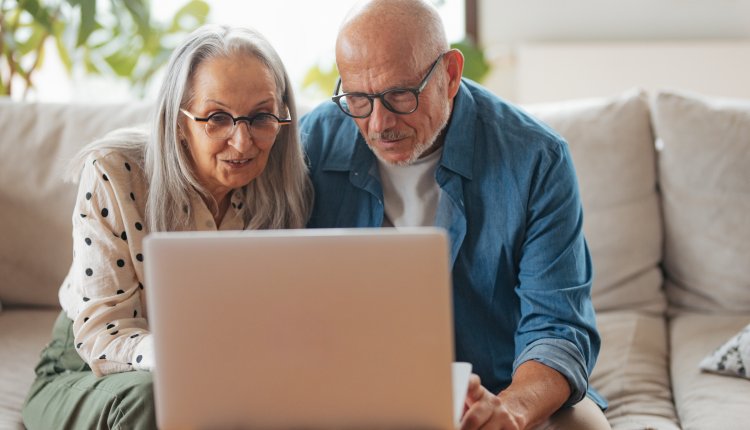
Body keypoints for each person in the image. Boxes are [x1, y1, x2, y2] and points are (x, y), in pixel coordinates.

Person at [299, 1, 610, 429]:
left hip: (500, 385)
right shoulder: (311, 145)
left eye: (399, 96)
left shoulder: (537, 158)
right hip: (354, 387)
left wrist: (512, 410)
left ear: (449, 75)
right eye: (358, 98)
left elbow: (557, 326)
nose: (378, 123)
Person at [22, 24, 312, 429]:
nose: (243, 143)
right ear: (179, 121)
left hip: (214, 369)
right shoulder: (115, 171)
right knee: (151, 395)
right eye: (216, 118)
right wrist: (193, 361)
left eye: (261, 117)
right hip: (88, 369)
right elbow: (103, 337)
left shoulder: (282, 178)